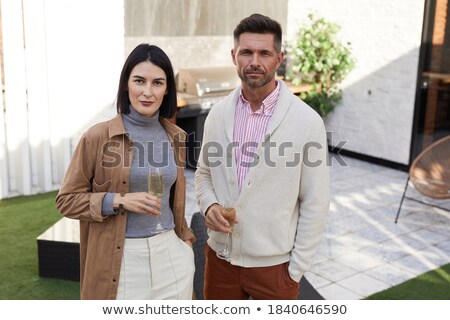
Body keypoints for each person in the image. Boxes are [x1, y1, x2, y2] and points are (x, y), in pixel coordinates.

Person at [195, 13, 330, 300]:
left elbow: (315, 201)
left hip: (276, 270)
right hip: (221, 261)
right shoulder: (217, 115)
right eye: (246, 52)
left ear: (278, 58)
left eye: (264, 53)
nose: (254, 61)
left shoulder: (307, 122)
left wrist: (295, 269)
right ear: (234, 56)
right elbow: (204, 173)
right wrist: (209, 206)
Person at [55, 44, 195, 300]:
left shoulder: (176, 137)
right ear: (125, 84)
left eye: (157, 83)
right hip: (123, 260)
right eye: (139, 81)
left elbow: (174, 199)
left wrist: (184, 242)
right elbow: (65, 201)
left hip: (171, 256)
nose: (147, 92)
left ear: (167, 90)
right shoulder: (97, 137)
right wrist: (118, 200)